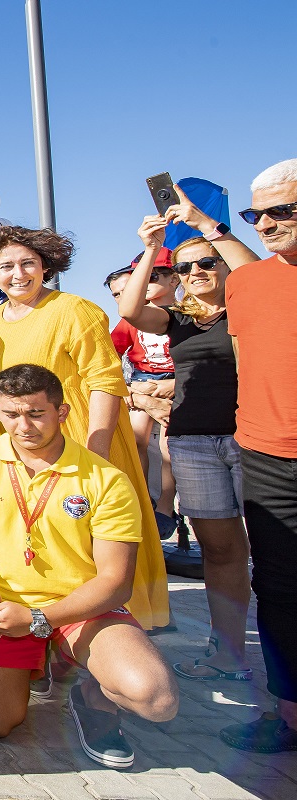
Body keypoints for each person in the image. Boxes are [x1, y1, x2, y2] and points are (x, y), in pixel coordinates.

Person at [0, 364, 178, 769]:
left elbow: (116, 582)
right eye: (11, 414)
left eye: (36, 413)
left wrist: (36, 618)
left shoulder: (106, 479)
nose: (23, 426)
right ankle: (39, 663)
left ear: (61, 413)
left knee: (156, 699)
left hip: (82, 607)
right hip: (2, 608)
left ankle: (92, 698)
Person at [0, 225, 169, 632]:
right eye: (6, 266)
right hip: (23, 448)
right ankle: (42, 632)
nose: (18, 274)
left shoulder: (76, 310)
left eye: (28, 264)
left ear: (46, 267)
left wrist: (97, 452)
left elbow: (106, 382)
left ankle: (96, 638)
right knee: (40, 542)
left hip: (81, 443)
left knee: (90, 550)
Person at [119, 198, 258, 685]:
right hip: (195, 443)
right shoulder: (179, 319)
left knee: (277, 549)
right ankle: (229, 653)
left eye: (206, 263)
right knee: (221, 552)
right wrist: (151, 249)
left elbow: (257, 273)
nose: (195, 271)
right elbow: (131, 308)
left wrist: (207, 227)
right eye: (184, 267)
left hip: (253, 440)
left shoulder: (253, 303)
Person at [220, 158, 297, 753]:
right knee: (278, 588)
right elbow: (250, 360)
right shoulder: (244, 281)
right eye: (256, 213)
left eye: (281, 210)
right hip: (266, 454)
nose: (265, 223)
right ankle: (288, 713)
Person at [108, 251, 179, 518]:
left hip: (174, 379)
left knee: (168, 446)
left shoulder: (184, 315)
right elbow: (110, 351)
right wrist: (123, 385)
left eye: (152, 277)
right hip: (142, 379)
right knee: (136, 436)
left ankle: (165, 505)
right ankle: (142, 496)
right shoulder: (130, 322)